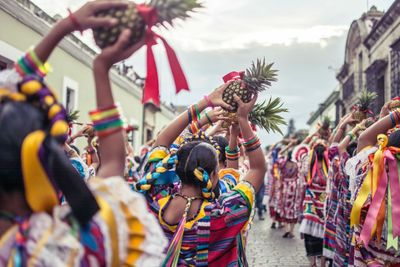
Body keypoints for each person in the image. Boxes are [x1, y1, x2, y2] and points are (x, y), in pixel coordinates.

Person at [0, 2, 166, 265]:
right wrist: (101, 67)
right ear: (44, 162)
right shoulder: (60, 248)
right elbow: (113, 166)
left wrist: (65, 27)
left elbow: (12, 82)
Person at [136, 90, 267, 266]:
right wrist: (242, 122)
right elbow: (257, 169)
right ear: (214, 175)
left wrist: (205, 102)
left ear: (178, 168)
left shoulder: (156, 194)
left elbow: (162, 141)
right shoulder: (224, 213)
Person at [299, 141, 329, 267]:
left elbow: (302, 181)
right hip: (325, 206)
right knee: (324, 235)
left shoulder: (308, 162)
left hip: (310, 205)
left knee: (309, 235)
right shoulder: (329, 165)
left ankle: (313, 263)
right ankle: (322, 262)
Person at [279, 150, 299, 238]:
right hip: (294, 187)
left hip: (285, 186)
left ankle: (286, 229)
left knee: (284, 207)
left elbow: (280, 174)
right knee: (293, 208)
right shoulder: (297, 165)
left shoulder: (284, 164)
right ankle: (291, 231)